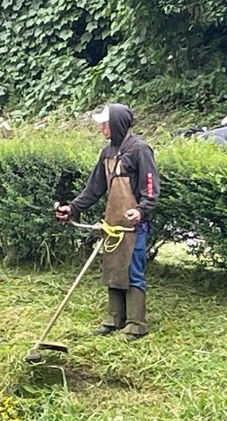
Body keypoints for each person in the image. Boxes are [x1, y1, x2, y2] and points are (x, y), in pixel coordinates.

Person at [55, 102, 160, 339]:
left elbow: (151, 188)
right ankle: (114, 319)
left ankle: (136, 324)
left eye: (105, 123)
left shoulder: (140, 150)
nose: (102, 128)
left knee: (132, 270)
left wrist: (142, 210)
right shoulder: (108, 152)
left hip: (134, 225)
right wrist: (71, 208)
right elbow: (94, 188)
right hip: (112, 223)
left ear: (116, 124)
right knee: (113, 268)